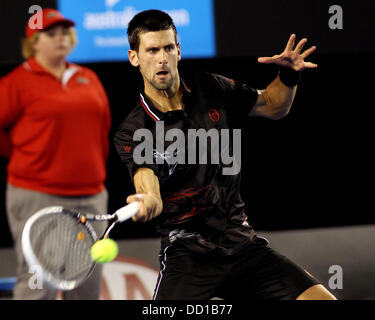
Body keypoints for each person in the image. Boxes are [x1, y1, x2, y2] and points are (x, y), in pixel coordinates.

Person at [114, 10, 336, 300]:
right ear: (134, 57)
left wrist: (289, 74)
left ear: (178, 50)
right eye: (152, 50)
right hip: (188, 256)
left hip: (242, 245)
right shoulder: (134, 130)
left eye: (168, 48)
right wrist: (148, 201)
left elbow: (272, 105)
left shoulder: (210, 87)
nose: (162, 58)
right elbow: (147, 184)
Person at [0, 8, 111, 299]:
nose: (60, 38)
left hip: (91, 198)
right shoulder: (15, 83)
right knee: (39, 285)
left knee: (87, 286)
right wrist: (28, 157)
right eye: (51, 34)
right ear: (33, 42)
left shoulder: (87, 77)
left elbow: (102, 130)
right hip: (38, 196)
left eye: (64, 32)